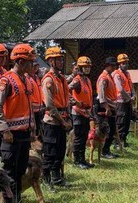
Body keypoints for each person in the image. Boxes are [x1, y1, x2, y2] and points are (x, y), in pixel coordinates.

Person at [0, 43, 37, 203]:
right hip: (11, 136)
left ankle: (18, 202)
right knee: (9, 172)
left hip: (24, 134)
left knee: (19, 171)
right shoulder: (6, 80)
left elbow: (28, 106)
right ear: (19, 61)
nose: (32, 65)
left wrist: (32, 125)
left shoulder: (25, 79)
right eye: (29, 61)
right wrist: (4, 130)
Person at [41, 46, 72, 188]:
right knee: (50, 153)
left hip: (63, 119)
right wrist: (62, 121)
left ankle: (57, 178)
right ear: (51, 62)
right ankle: (46, 179)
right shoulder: (48, 80)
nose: (61, 62)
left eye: (61, 59)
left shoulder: (61, 79)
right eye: (58, 60)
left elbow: (66, 100)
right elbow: (49, 105)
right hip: (53, 122)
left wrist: (68, 119)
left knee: (60, 152)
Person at [68, 56, 94, 170]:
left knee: (84, 137)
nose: (87, 69)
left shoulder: (87, 80)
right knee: (79, 137)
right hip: (78, 113)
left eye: (88, 67)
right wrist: (75, 102)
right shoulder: (77, 80)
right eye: (85, 67)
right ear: (80, 67)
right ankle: (77, 160)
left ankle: (82, 159)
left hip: (86, 112)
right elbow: (67, 89)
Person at [97, 57, 119, 159]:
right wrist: (107, 108)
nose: (115, 67)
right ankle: (104, 151)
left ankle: (107, 150)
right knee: (107, 130)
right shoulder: (104, 78)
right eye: (113, 65)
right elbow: (101, 96)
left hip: (111, 106)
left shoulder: (110, 76)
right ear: (107, 66)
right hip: (105, 108)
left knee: (112, 129)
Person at [113, 53, 135, 148]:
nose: (125, 65)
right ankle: (117, 142)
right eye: (123, 63)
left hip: (128, 101)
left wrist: (134, 95)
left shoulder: (128, 73)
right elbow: (120, 89)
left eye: (126, 63)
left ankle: (124, 140)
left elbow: (131, 86)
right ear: (119, 64)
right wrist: (130, 98)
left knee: (127, 122)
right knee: (120, 122)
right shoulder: (116, 74)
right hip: (120, 102)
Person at [29, 60, 44, 140]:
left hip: (39, 109)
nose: (35, 68)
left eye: (37, 66)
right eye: (34, 66)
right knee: (33, 130)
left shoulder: (37, 77)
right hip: (32, 110)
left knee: (39, 129)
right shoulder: (27, 78)